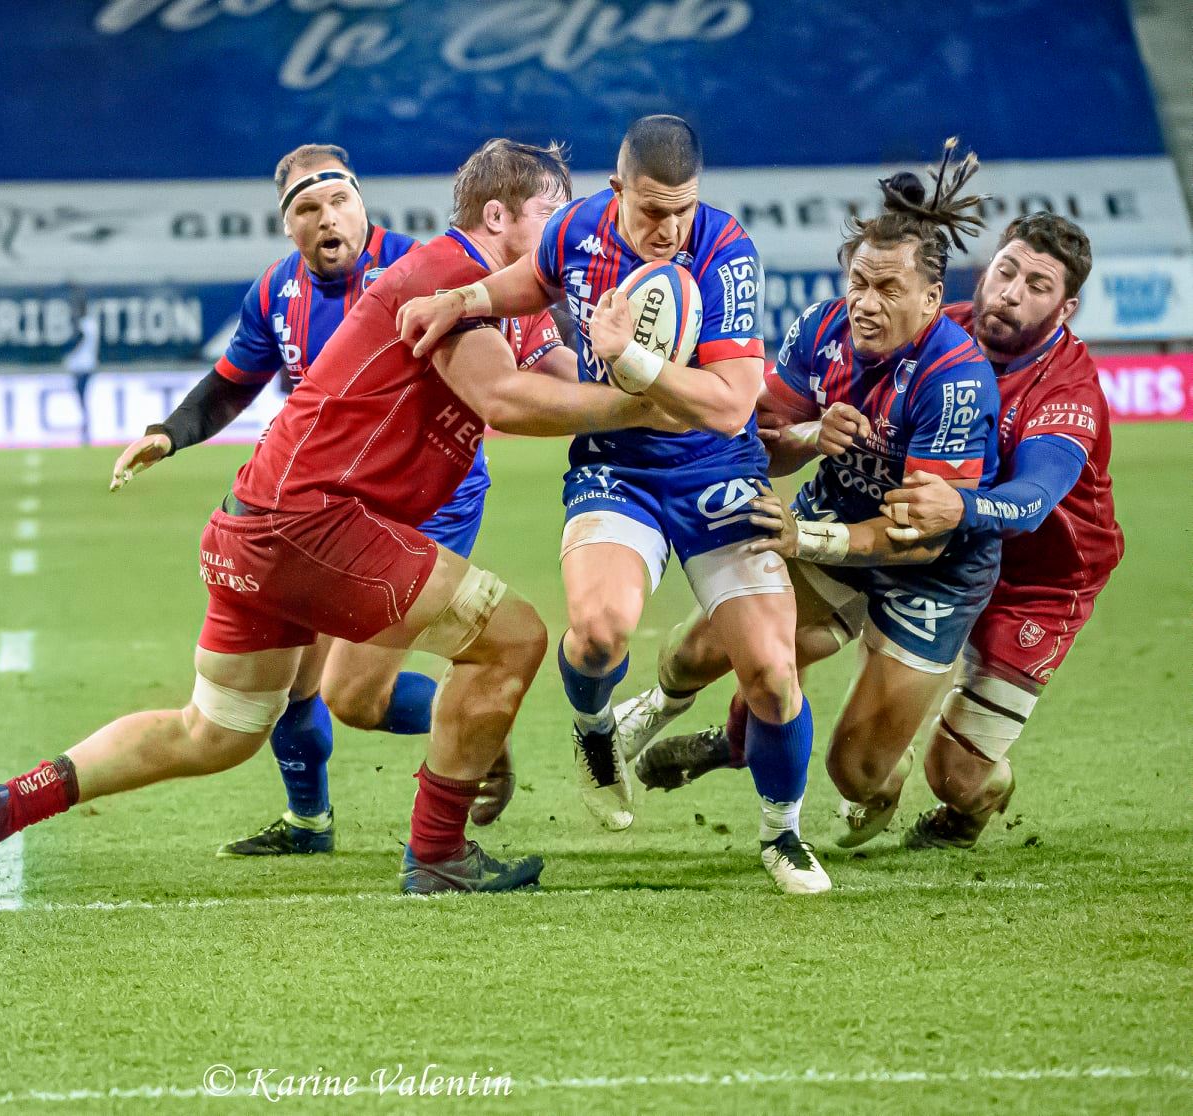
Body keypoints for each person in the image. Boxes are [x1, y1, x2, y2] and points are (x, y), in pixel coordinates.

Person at [0, 138, 656, 900]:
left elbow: (559, 379)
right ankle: (436, 853)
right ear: (497, 216)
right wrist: (656, 401)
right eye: (552, 213)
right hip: (316, 524)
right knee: (512, 639)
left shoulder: (485, 288)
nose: (570, 233)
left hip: (254, 522)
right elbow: (508, 401)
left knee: (213, 733)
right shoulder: (449, 274)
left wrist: (647, 378)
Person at [399, 115, 827, 895]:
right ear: (616, 190)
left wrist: (627, 359)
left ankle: (782, 834)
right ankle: (595, 729)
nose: (669, 229)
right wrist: (461, 298)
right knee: (596, 636)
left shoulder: (725, 251)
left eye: (683, 209)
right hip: (616, 468)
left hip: (716, 470)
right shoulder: (577, 229)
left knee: (768, 670)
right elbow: (528, 283)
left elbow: (732, 406)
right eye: (652, 210)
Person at [107, 144, 571, 857]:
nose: (327, 219)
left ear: (360, 203)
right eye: (306, 209)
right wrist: (170, 435)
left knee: (342, 689)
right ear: (286, 225)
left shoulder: (428, 270)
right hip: (325, 501)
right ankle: (313, 822)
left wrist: (630, 389)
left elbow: (525, 358)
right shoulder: (274, 293)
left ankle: (468, 735)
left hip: (425, 500)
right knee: (318, 689)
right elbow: (235, 378)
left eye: (338, 201)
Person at [637, 214, 1124, 850]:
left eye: (1037, 284)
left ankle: (974, 802)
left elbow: (1029, 503)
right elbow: (793, 416)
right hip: (902, 540)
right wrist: (809, 436)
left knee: (955, 774)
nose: (1011, 292)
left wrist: (961, 509)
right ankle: (739, 741)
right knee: (768, 640)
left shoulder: (1070, 392)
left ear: (1067, 306)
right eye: (1006, 270)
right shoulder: (929, 330)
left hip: (1034, 577)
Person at [618, 143, 1002, 850]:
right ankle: (658, 707)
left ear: (929, 298)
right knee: (705, 644)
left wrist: (808, 539)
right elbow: (757, 442)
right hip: (838, 518)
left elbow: (926, 532)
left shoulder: (952, 380)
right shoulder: (820, 330)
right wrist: (803, 431)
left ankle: (911, 772)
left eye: (888, 289)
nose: (865, 302)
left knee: (855, 773)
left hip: (933, 571)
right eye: (858, 281)